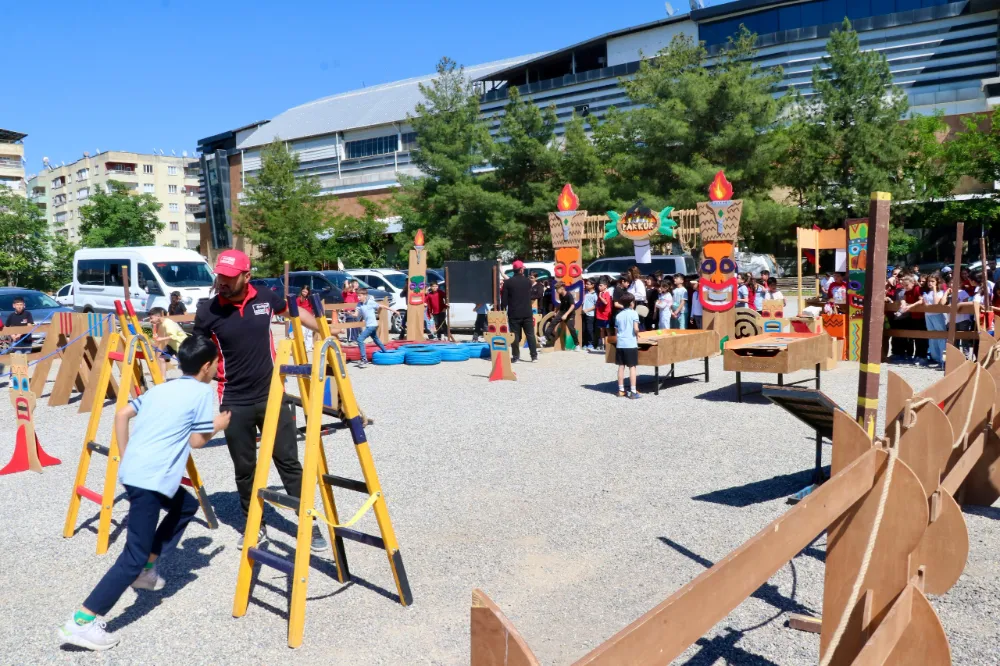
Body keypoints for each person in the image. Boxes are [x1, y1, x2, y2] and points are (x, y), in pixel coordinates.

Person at [57, 335, 230, 651]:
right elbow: (197, 441)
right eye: (216, 363)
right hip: (151, 480)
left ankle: (148, 569)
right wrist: (219, 424)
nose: (217, 368)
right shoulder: (202, 393)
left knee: (185, 505)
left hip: (138, 473)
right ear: (206, 367)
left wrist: (126, 456)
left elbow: (122, 414)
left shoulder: (163, 387)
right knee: (132, 556)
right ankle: (82, 621)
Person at [193, 249, 326, 551]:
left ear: (246, 276)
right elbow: (197, 350)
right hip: (233, 400)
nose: (223, 282)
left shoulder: (265, 297)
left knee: (288, 462)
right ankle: (255, 525)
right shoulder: (208, 311)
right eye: (220, 276)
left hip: (272, 394)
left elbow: (294, 312)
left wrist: (322, 330)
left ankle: (308, 523)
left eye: (229, 277)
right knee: (245, 469)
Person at [501, 260, 537, 362]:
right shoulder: (528, 282)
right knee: (530, 335)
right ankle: (534, 356)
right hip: (527, 312)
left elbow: (504, 300)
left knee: (515, 336)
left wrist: (502, 309)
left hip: (514, 313)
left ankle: (516, 357)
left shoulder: (508, 283)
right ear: (521, 270)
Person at [355, 287, 392, 365]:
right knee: (376, 339)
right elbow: (356, 314)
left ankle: (364, 359)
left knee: (360, 339)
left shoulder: (371, 302)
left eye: (359, 296)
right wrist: (350, 314)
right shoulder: (359, 304)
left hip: (372, 325)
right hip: (369, 325)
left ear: (365, 295)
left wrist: (393, 310)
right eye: (357, 296)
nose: (358, 298)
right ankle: (385, 351)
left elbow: (382, 306)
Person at [614, 292, 641, 399]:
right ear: (631, 303)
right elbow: (636, 328)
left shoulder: (618, 315)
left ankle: (621, 390)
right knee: (632, 367)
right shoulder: (634, 313)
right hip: (630, 343)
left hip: (620, 343)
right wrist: (637, 334)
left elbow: (616, 331)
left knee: (621, 366)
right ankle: (633, 391)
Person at [148, 307, 188, 378]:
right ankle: (163, 377)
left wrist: (161, 339)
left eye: (151, 318)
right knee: (162, 358)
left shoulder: (168, 323)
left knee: (183, 364)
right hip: (171, 344)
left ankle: (187, 378)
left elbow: (173, 336)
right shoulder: (161, 324)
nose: (150, 320)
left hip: (180, 344)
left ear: (158, 316)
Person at [923, 274, 947, 368]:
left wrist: (934, 289)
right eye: (929, 281)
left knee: (941, 338)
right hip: (928, 315)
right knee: (932, 337)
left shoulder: (940, 292)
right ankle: (935, 358)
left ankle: (943, 359)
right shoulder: (927, 292)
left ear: (937, 282)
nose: (930, 283)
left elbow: (936, 303)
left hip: (937, 315)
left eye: (932, 281)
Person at [547, 284, 581, 350]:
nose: (556, 291)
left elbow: (572, 306)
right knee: (553, 322)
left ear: (562, 288)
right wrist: (556, 311)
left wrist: (566, 315)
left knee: (571, 328)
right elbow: (561, 304)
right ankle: (545, 337)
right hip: (562, 312)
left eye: (557, 289)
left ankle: (577, 345)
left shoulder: (569, 295)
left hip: (570, 314)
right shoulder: (560, 295)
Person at [295, 285, 315, 352]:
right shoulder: (298, 299)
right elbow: (297, 308)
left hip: (309, 316)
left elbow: (311, 307)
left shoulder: (309, 299)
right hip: (302, 318)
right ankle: (302, 347)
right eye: (303, 291)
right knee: (303, 333)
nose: (304, 293)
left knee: (309, 332)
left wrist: (313, 314)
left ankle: (309, 347)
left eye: (306, 292)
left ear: (308, 292)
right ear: (301, 291)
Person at [594, 280, 612, 351]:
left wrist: (600, 297)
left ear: (605, 286)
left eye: (601, 285)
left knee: (607, 330)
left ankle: (609, 344)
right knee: (601, 330)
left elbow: (605, 302)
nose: (599, 287)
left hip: (606, 315)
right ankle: (603, 344)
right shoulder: (600, 293)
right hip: (600, 314)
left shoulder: (606, 293)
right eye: (599, 285)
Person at [342, 279, 359, 343]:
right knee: (350, 325)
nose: (350, 288)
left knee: (356, 325)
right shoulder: (345, 293)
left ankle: (356, 339)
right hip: (348, 311)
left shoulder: (355, 293)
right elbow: (346, 289)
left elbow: (357, 302)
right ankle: (350, 340)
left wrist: (357, 311)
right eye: (350, 287)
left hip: (354, 311)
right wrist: (346, 284)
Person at [581, 280, 597, 350]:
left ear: (592, 285)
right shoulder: (585, 293)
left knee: (589, 329)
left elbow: (596, 305)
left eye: (588, 284)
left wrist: (587, 310)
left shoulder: (595, 294)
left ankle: (591, 344)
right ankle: (585, 343)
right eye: (586, 284)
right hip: (583, 314)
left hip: (590, 315)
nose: (586, 285)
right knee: (584, 329)